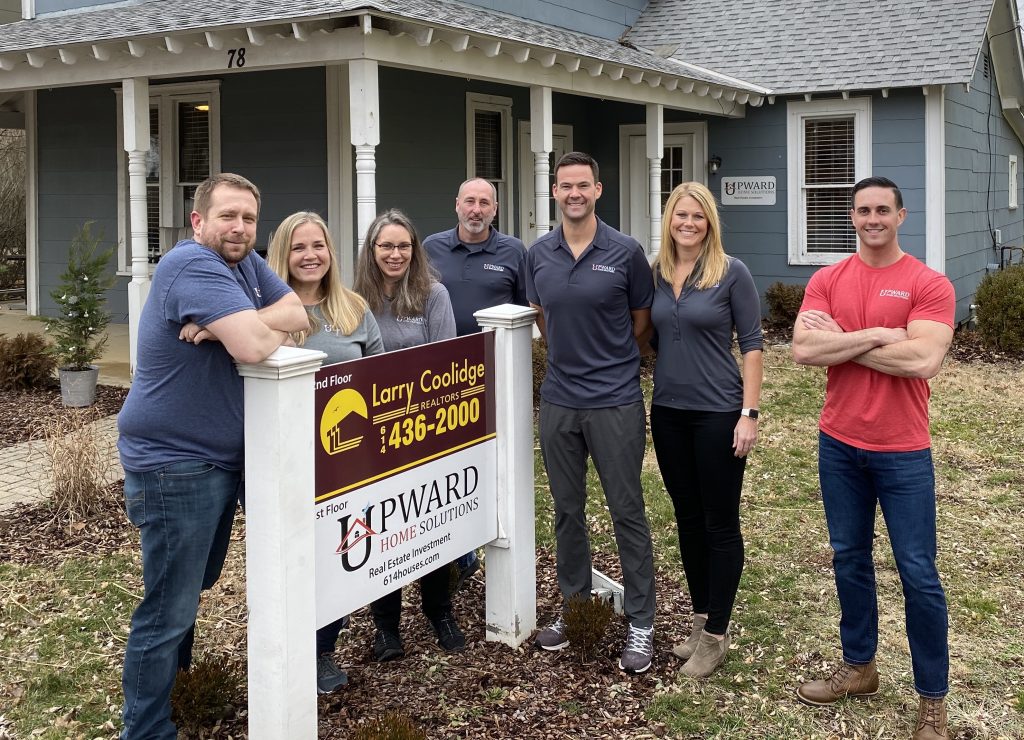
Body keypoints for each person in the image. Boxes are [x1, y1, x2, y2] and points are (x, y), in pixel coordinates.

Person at [117, 173, 308, 739]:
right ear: (198, 221)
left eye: (249, 218)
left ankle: (177, 691)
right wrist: (244, 330)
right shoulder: (190, 265)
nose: (240, 228)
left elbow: (298, 312)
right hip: (174, 464)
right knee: (168, 608)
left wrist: (234, 326)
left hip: (217, 461)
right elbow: (253, 345)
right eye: (228, 216)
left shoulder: (244, 264)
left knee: (189, 590)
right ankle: (147, 730)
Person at [792, 176, 954, 740]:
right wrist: (883, 334)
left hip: (904, 450)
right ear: (852, 216)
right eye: (863, 210)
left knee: (918, 572)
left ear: (901, 216)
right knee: (849, 559)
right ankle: (859, 667)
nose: (872, 218)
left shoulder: (928, 282)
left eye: (883, 209)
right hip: (839, 443)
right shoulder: (828, 277)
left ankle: (932, 697)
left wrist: (848, 337)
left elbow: (923, 361)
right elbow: (804, 349)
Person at [526, 151, 658, 674]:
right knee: (566, 512)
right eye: (565, 186)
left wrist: (609, 360)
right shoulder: (540, 253)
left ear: (598, 190)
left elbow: (642, 322)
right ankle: (575, 607)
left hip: (615, 400)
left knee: (627, 511)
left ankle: (642, 623)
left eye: (583, 185)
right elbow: (542, 315)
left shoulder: (625, 252)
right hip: (558, 399)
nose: (574, 193)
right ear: (554, 192)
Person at [646, 182, 763, 678]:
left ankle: (717, 635)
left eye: (697, 216)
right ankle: (699, 621)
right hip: (668, 411)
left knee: (719, 522)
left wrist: (749, 415)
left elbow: (753, 346)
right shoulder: (654, 273)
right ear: (669, 220)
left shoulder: (731, 272)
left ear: (709, 222)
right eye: (680, 215)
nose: (688, 223)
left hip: (718, 413)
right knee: (688, 519)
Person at [266, 210, 384, 694]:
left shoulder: (353, 308)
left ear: (331, 253)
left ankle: (320, 652)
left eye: (318, 246)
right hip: (281, 458)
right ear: (282, 254)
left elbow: (381, 378)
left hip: (343, 458)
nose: (310, 255)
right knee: (286, 560)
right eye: (298, 247)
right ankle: (281, 648)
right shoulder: (263, 307)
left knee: (334, 557)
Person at [352, 208, 463, 661]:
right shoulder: (355, 300)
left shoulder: (432, 295)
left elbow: (446, 362)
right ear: (372, 251)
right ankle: (386, 627)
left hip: (426, 428)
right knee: (383, 531)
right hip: (374, 435)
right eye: (386, 246)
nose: (395, 254)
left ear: (415, 251)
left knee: (432, 523)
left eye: (403, 246)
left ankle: (440, 611)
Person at [424, 177, 528, 590]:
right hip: (440, 378)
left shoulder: (514, 252)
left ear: (495, 209)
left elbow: (528, 310)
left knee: (492, 463)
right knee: (445, 464)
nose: (476, 209)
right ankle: (459, 553)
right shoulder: (430, 248)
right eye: (470, 201)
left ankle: (493, 537)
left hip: (495, 376)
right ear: (456, 205)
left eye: (485, 202)